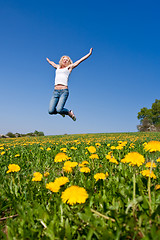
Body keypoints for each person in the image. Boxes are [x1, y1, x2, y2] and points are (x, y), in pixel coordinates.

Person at [46, 48, 93, 121]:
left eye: (67, 60)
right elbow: (52, 63)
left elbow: (80, 60)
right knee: (51, 111)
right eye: (64, 59)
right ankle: (62, 112)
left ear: (69, 62)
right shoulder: (58, 67)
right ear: (61, 60)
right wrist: (48, 60)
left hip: (64, 91)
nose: (65, 60)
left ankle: (69, 112)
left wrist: (89, 54)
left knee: (59, 109)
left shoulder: (69, 67)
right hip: (55, 92)